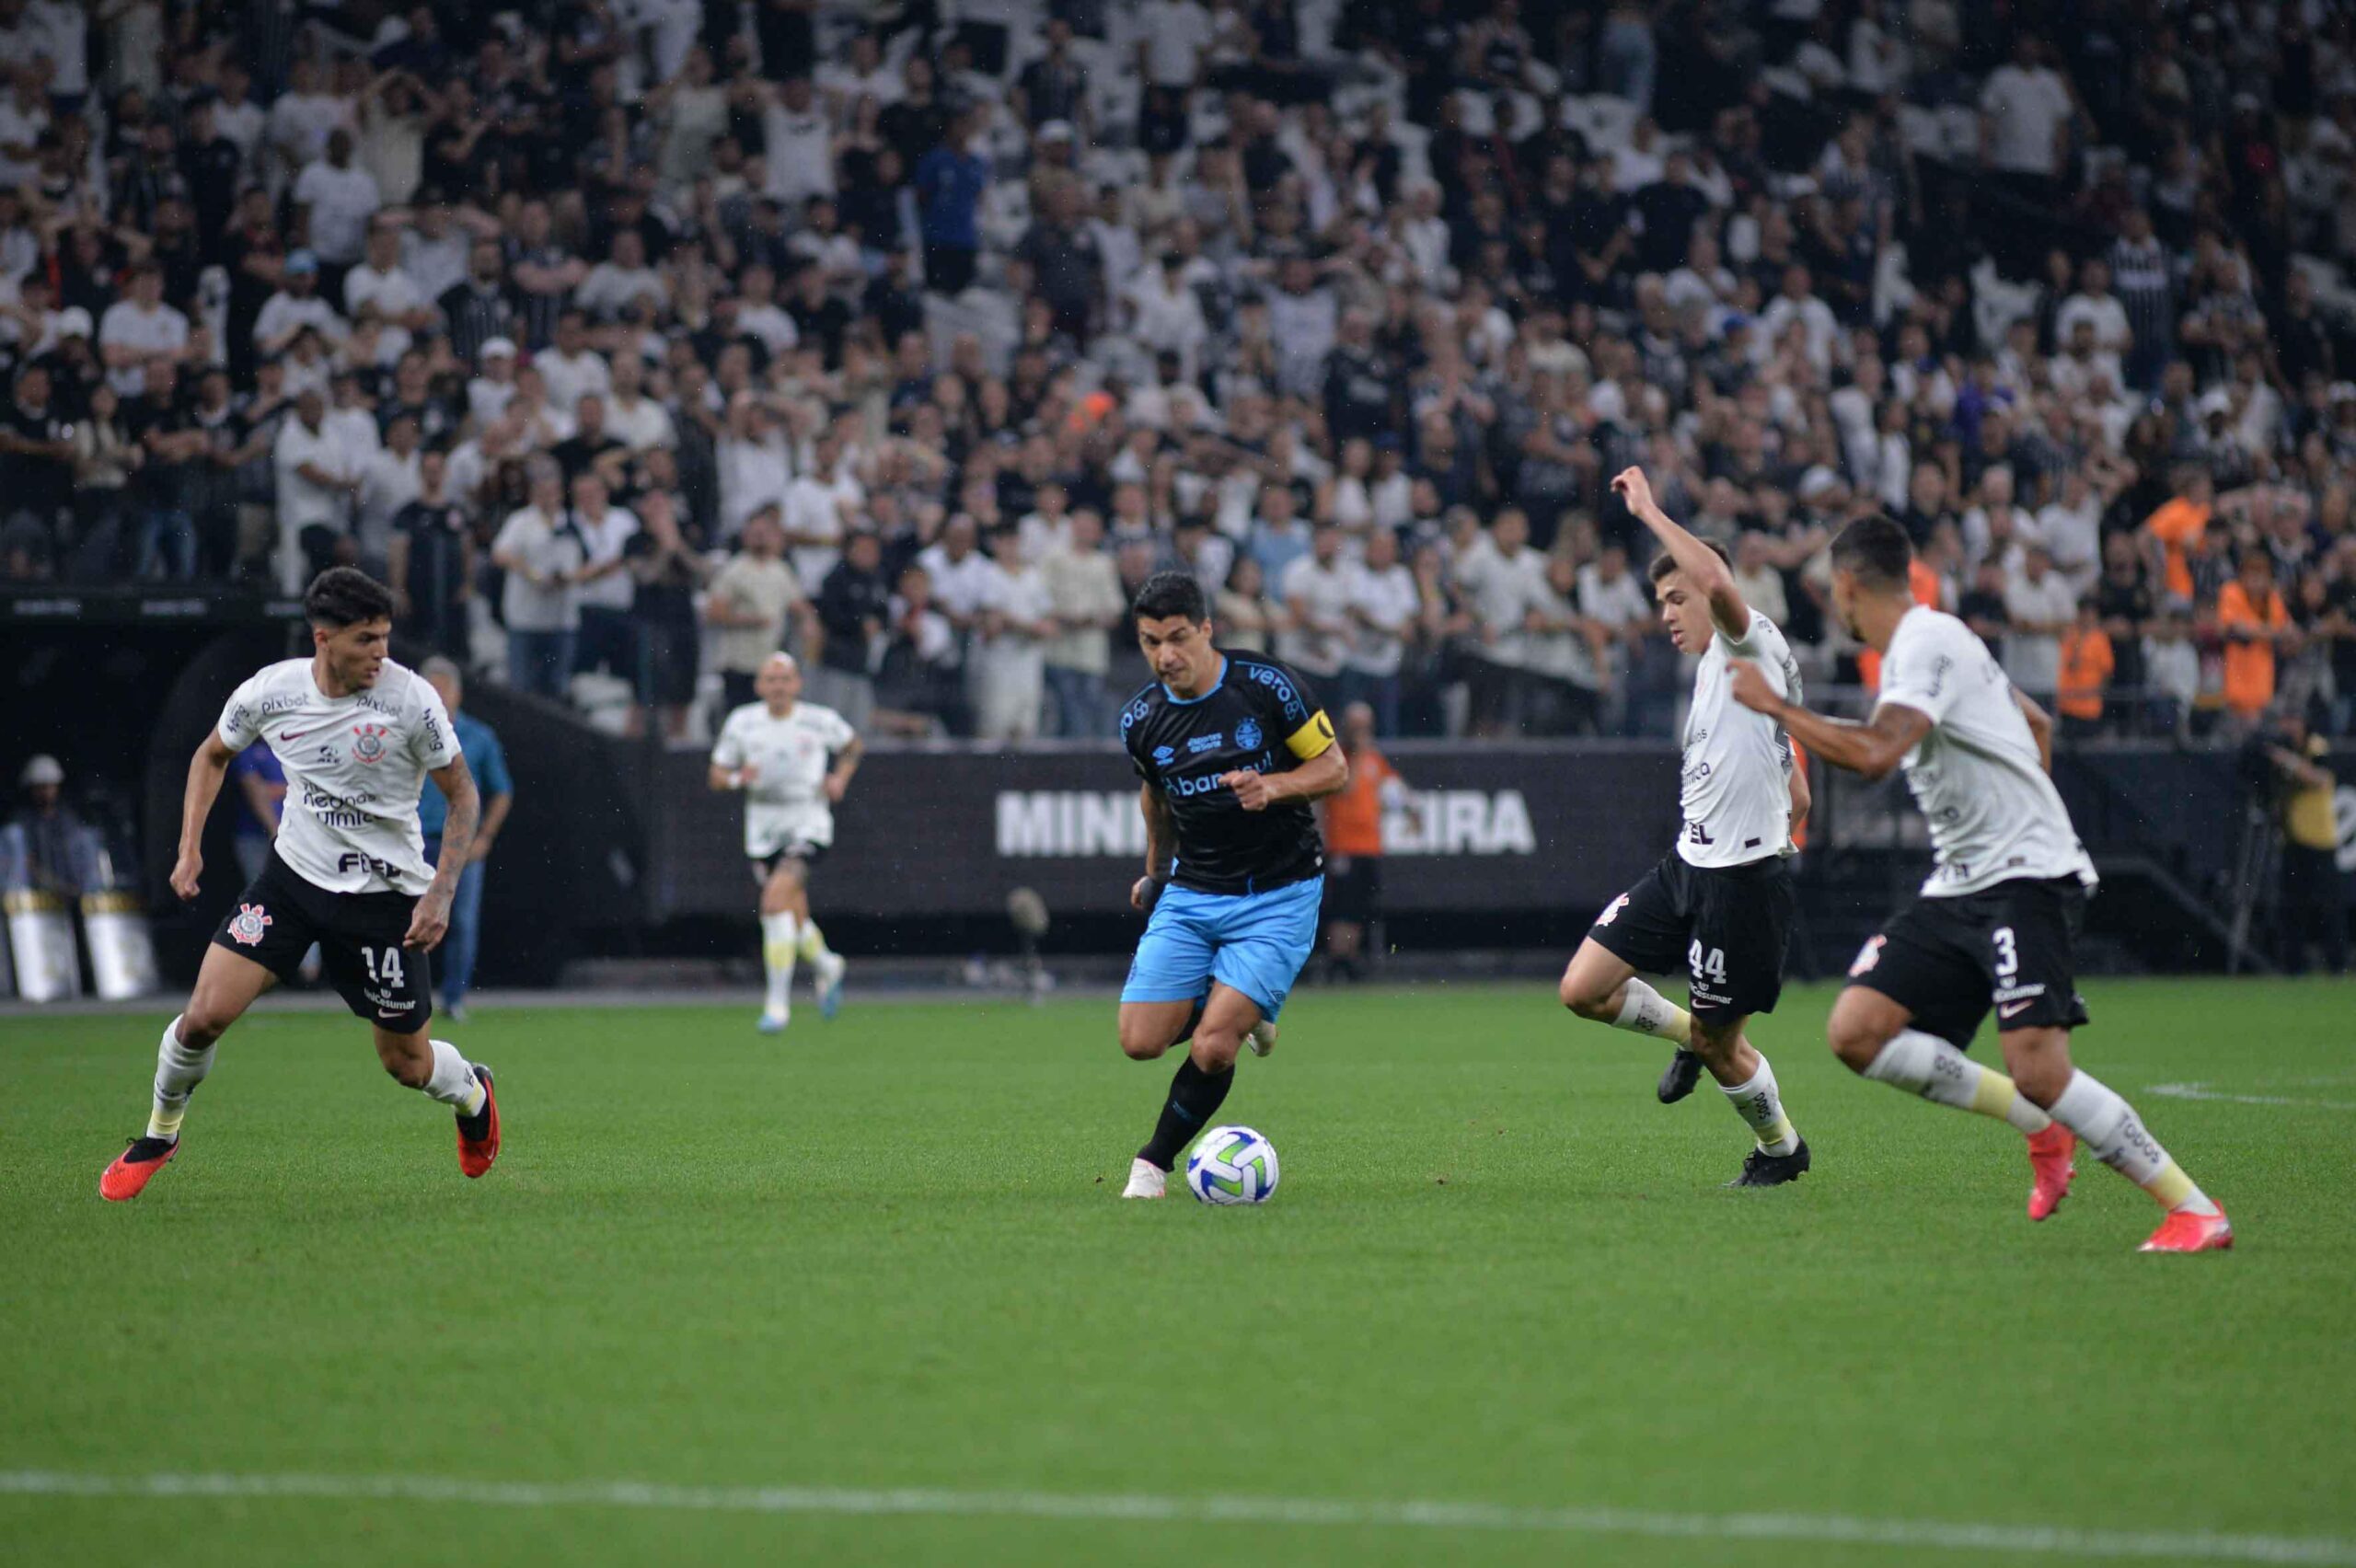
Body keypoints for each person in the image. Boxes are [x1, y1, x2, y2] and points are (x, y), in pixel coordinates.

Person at [1727, 515, 2231, 1252]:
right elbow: (2037, 723)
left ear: (1847, 586)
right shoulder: (1936, 645)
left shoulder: (1925, 644)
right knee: (1857, 1032)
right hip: (1967, 882)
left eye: (1831, 594)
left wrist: (1776, 706)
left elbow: (1874, 753)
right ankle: (2039, 1127)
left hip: (2026, 879)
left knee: (2039, 1067)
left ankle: (2193, 1209)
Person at [98, 569, 498, 1202]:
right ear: (323, 638)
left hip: (385, 898)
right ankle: (159, 1134)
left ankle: (473, 1091)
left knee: (407, 1066)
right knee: (203, 1018)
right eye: (366, 639)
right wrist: (188, 846)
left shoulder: (409, 699)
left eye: (386, 638)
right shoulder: (272, 692)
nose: (380, 653)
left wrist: (441, 890)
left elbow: (463, 793)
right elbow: (212, 755)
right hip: (292, 883)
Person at [1557, 469, 1814, 1187]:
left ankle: (1780, 1151)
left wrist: (1648, 510)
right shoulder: (1714, 668)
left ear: (1713, 587)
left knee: (1724, 1044)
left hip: (1741, 885)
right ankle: (1690, 1037)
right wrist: (1790, 805)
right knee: (1583, 989)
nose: (1666, 613)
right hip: (1686, 867)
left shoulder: (1747, 638)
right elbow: (1794, 780)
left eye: (1677, 598)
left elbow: (1716, 579)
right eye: (1659, 602)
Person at [1114, 570, 1350, 1200]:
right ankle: (1243, 1007)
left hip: (1280, 893)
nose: (1165, 655)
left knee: (1215, 1046)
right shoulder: (1140, 719)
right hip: (1194, 890)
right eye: (1149, 641)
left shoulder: (1267, 686)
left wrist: (1274, 785)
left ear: (1208, 630)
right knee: (1139, 1043)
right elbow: (1156, 800)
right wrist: (1156, 873)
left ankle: (1152, 1165)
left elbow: (1334, 768)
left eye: (1178, 637)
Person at [709, 652, 860, 1034]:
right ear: (759, 686)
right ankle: (827, 964)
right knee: (793, 915)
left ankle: (777, 1005)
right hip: (763, 830)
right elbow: (716, 775)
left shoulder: (818, 719)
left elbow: (853, 745)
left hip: (808, 823)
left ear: (797, 684)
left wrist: (840, 778)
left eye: (785, 679)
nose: (778, 687)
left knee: (773, 902)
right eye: (771, 680)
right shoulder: (743, 723)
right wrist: (739, 779)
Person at [417, 658, 514, 1021]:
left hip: (460, 846)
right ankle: (412, 997)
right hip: (415, 841)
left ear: (458, 693)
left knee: (462, 923)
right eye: (433, 691)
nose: (441, 699)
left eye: (446, 690)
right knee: (409, 921)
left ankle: (454, 997)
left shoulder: (479, 736)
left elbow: (502, 790)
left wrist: (485, 836)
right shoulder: (407, 732)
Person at [2256, 710, 2349, 976]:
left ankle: (2337, 963)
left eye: (2291, 721)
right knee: (2292, 907)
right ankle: (2294, 965)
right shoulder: (2284, 752)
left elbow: (2321, 779)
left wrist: (2289, 762)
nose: (2286, 726)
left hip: (2320, 838)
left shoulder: (2315, 747)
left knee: (2330, 906)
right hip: (2293, 838)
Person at [1318, 702, 1403, 982]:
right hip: (1344, 846)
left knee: (1359, 907)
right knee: (1342, 906)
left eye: (1365, 726)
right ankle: (1338, 960)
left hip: (1369, 845)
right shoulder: (1337, 758)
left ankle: (1350, 959)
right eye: (1356, 726)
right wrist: (1359, 754)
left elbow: (1393, 789)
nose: (1361, 733)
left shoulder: (1373, 759)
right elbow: (1346, 789)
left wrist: (1410, 809)